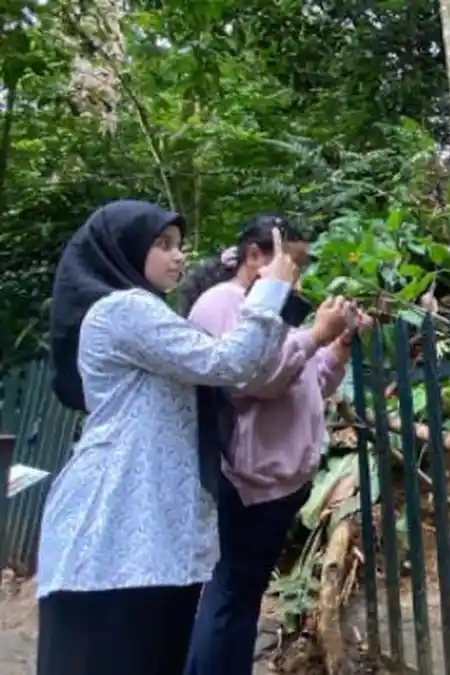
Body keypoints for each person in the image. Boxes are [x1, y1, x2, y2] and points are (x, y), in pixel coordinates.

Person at [39, 200, 299, 675]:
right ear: (123, 248)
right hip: (114, 529)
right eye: (162, 244)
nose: (178, 256)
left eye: (178, 245)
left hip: (148, 531)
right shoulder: (122, 311)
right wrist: (273, 290)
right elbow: (225, 363)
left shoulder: (147, 312)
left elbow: (243, 371)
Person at [180, 214, 369, 675]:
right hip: (250, 478)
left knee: (240, 593)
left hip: (279, 477)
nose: (299, 273)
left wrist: (338, 347)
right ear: (253, 256)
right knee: (232, 594)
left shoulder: (273, 305)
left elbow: (307, 383)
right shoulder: (223, 302)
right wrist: (315, 335)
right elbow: (253, 378)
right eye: (294, 261)